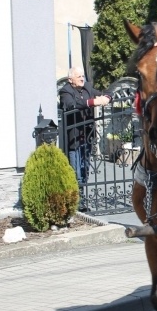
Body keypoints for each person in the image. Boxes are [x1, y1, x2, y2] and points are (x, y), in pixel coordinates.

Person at [58, 66, 110, 209]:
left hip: (87, 135)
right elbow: (70, 105)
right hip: (73, 137)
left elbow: (102, 93)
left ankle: (82, 196)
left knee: (85, 168)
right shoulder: (65, 91)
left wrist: (106, 97)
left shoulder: (87, 87)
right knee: (76, 171)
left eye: (82, 76)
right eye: (78, 76)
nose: (82, 78)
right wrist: (92, 102)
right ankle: (78, 201)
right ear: (70, 79)